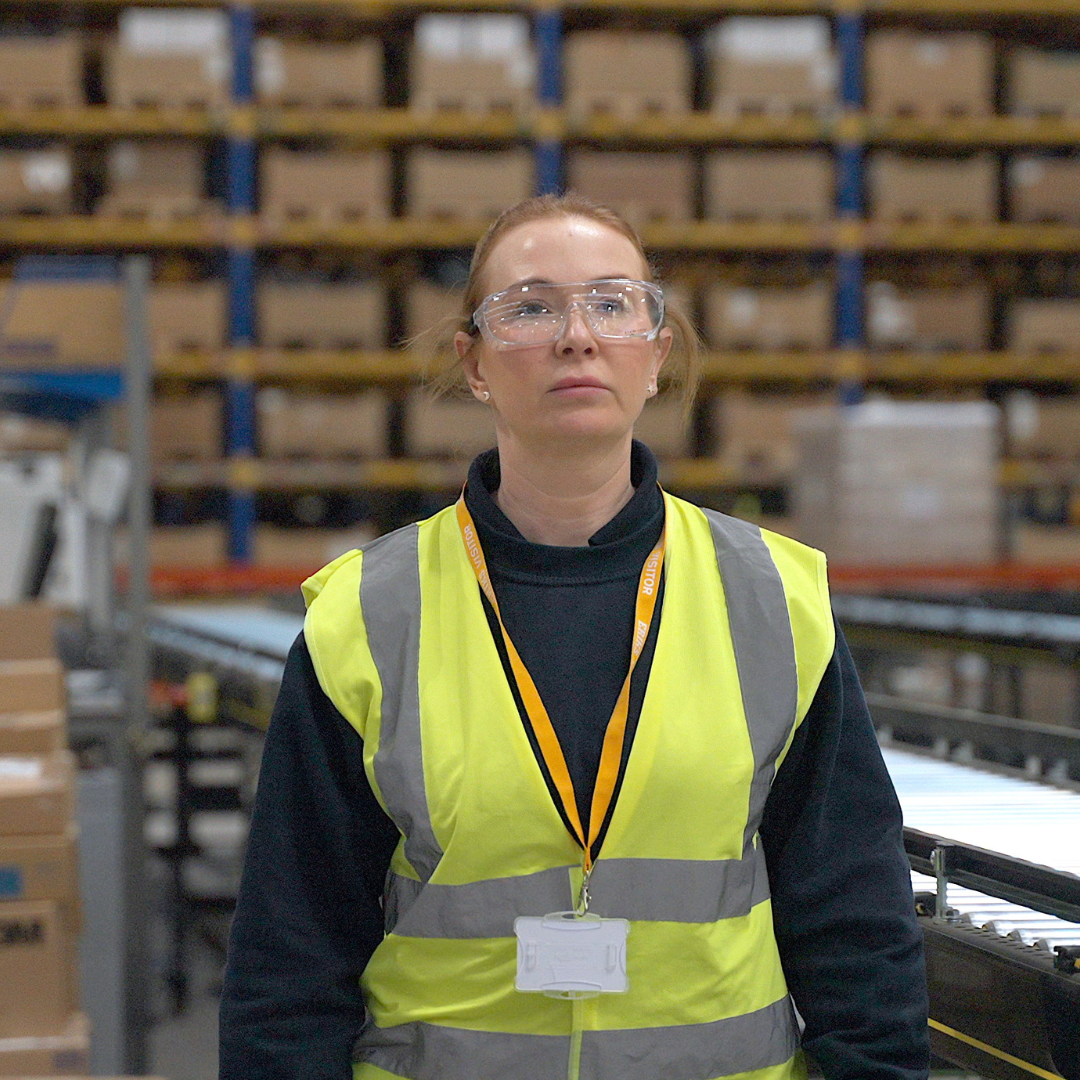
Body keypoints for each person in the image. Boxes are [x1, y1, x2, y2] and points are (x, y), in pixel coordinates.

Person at [219, 193, 929, 1080]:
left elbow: (855, 916)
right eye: (529, 307)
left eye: (610, 301)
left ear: (656, 351)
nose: (575, 335)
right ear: (472, 363)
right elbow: (292, 949)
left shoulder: (771, 600)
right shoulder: (369, 614)